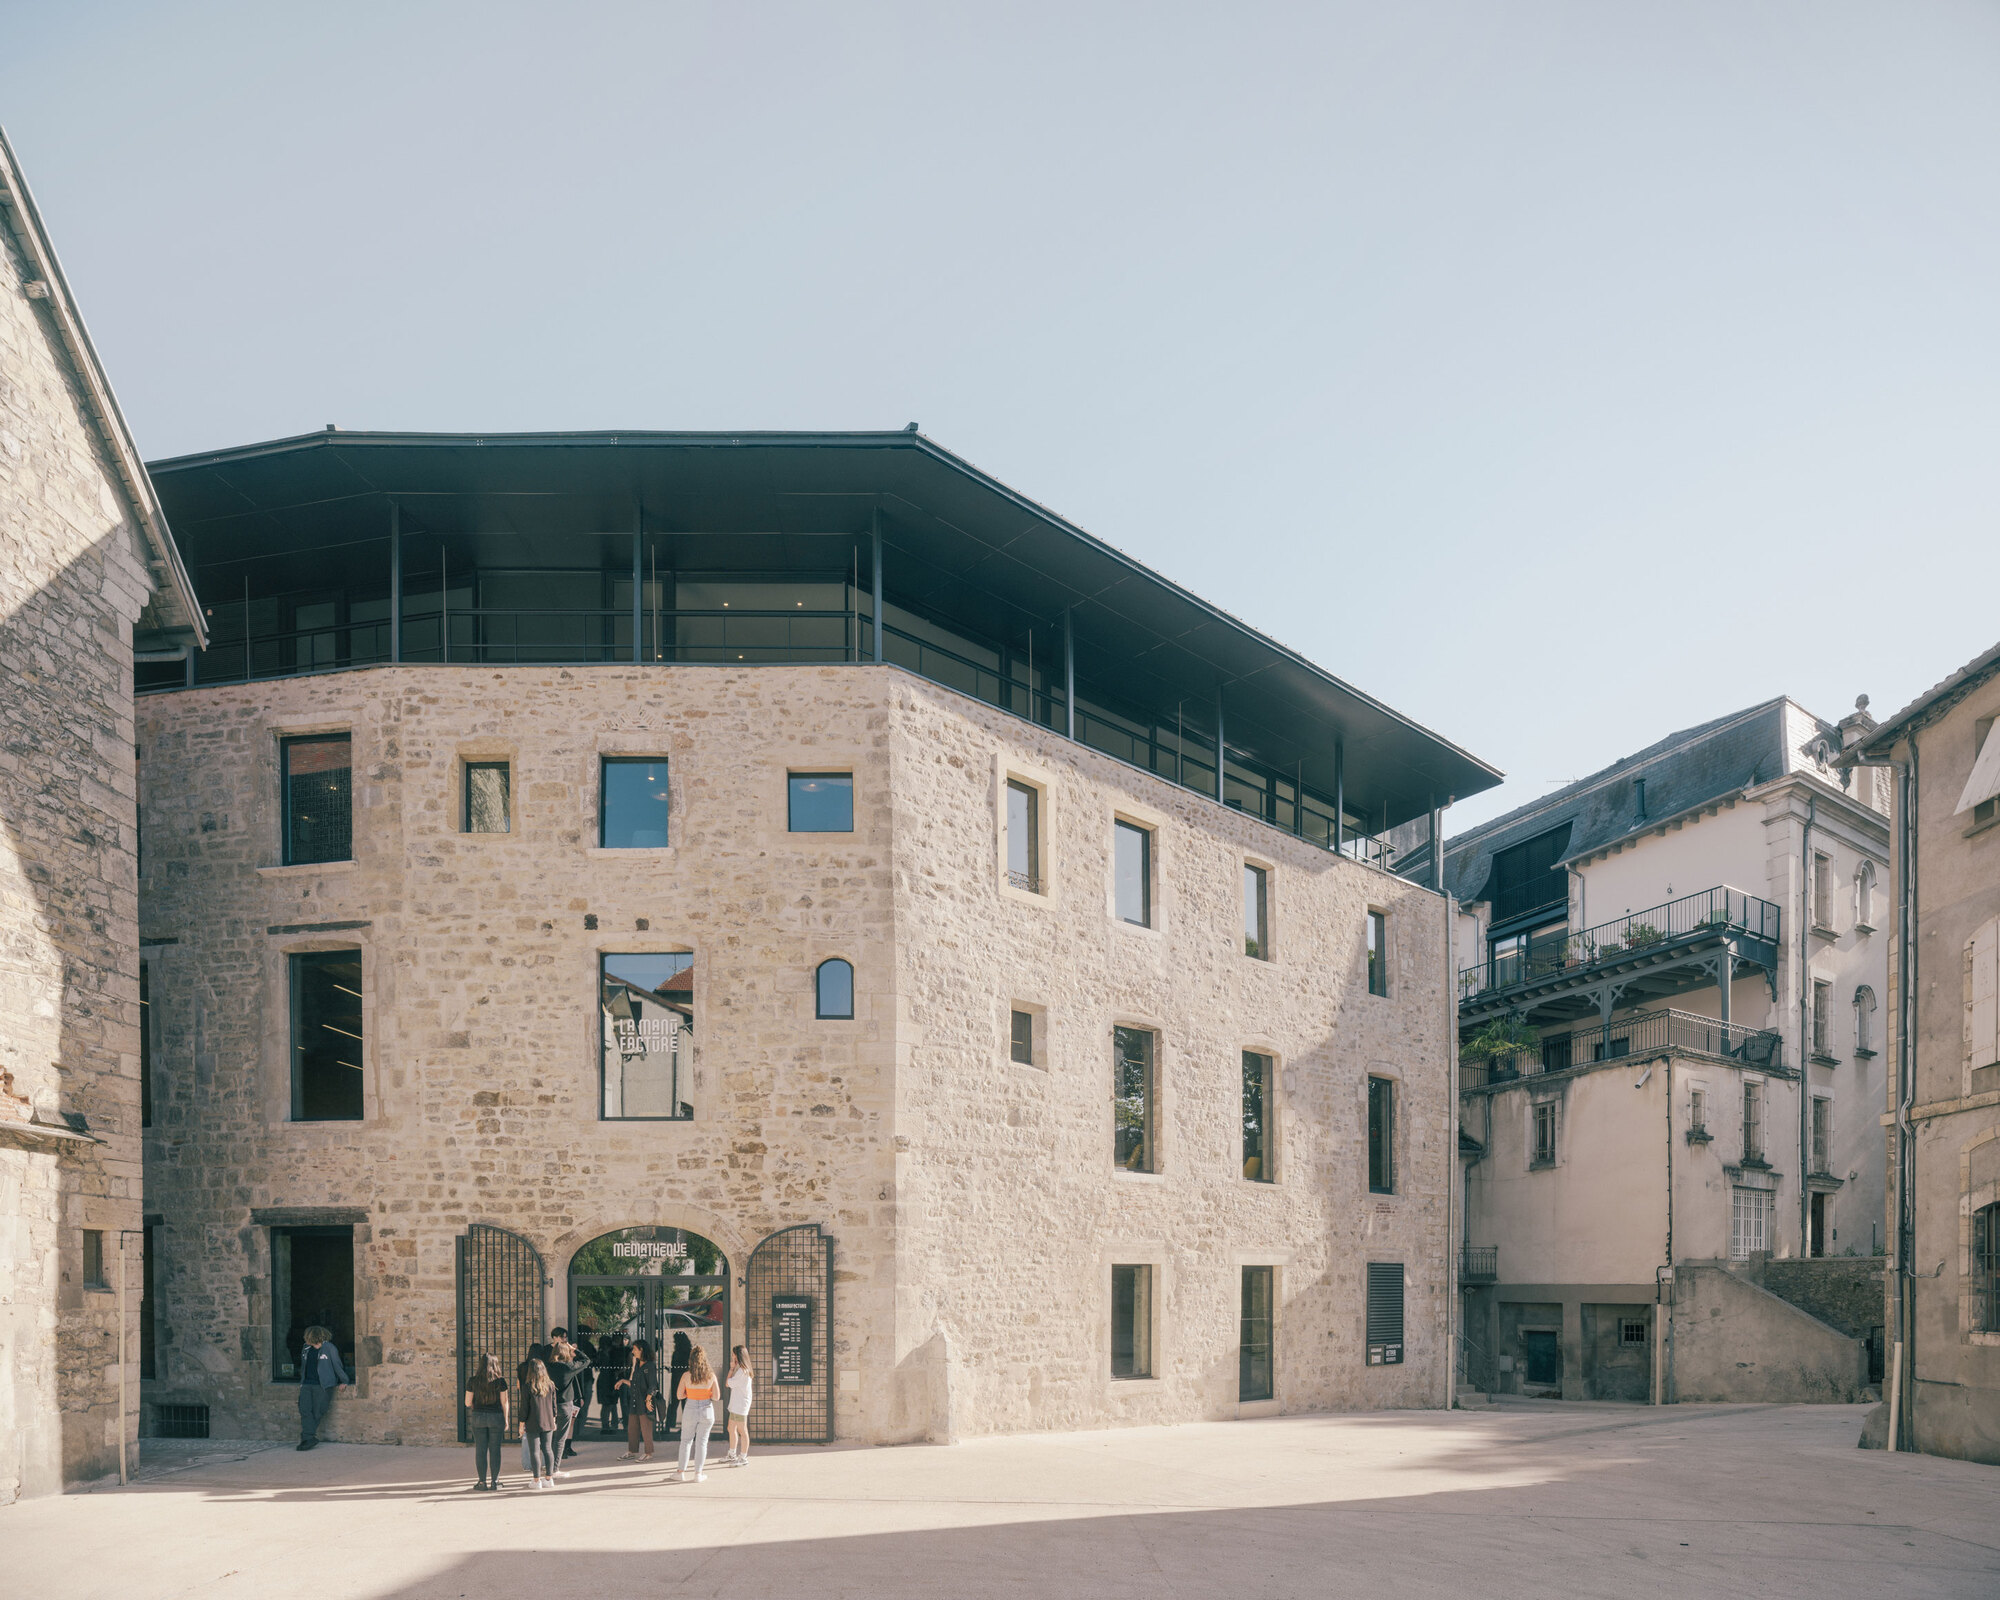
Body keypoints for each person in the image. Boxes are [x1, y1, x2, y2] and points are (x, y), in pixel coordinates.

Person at [295, 1324, 351, 1451]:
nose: (305, 1338)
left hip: (323, 1385)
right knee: (304, 1410)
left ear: (313, 1336)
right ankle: (308, 1438)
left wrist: (344, 1380)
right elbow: (303, 1366)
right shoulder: (306, 1348)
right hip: (307, 1384)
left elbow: (337, 1365)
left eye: (307, 1336)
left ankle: (307, 1438)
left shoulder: (329, 1348)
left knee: (318, 1411)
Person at [463, 1352, 510, 1490]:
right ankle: (495, 1482)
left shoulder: (473, 1381)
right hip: (496, 1417)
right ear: (496, 1365)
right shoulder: (500, 1381)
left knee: (480, 1450)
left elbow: (467, 1402)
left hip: (478, 1417)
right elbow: (504, 1402)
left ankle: (482, 1482)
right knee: (495, 1450)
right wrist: (506, 1419)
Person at [675, 1345, 720, 1482]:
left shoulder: (686, 1376)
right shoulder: (711, 1375)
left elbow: (679, 1395)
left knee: (686, 1441)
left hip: (690, 1408)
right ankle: (698, 1474)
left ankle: (680, 1472)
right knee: (702, 1442)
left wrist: (690, 1392)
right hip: (707, 1409)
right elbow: (717, 1397)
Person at [544, 1334, 585, 1477]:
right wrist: (572, 1348)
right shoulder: (569, 1367)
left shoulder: (547, 1366)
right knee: (560, 1438)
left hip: (548, 1404)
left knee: (547, 1437)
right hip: (564, 1405)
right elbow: (586, 1360)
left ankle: (546, 1465)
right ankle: (554, 1469)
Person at [519, 1357, 559, 1490]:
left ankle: (536, 1480)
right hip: (548, 1421)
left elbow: (524, 1408)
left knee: (534, 1451)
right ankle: (549, 1478)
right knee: (548, 1449)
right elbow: (554, 1406)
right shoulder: (551, 1385)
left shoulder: (527, 1387)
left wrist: (521, 1424)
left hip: (532, 1422)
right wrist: (554, 1420)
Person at [616, 1340, 658, 1461]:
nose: (633, 1351)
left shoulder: (650, 1366)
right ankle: (632, 1451)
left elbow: (653, 1385)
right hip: (634, 1401)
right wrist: (623, 1381)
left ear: (641, 1350)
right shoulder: (638, 1364)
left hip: (645, 1402)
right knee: (632, 1428)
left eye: (635, 1349)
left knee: (646, 1429)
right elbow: (635, 1384)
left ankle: (648, 1452)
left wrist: (648, 1400)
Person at [723, 1344, 753, 1467]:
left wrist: (731, 1369)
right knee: (731, 1428)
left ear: (738, 1356)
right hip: (736, 1404)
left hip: (740, 1405)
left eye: (733, 1354)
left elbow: (727, 1383)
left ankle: (743, 1457)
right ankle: (732, 1454)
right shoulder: (742, 1370)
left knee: (742, 1430)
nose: (732, 1356)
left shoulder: (742, 1372)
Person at [597, 1331, 627, 1435]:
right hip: (608, 1381)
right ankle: (607, 1426)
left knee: (610, 1405)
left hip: (606, 1380)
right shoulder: (607, 1354)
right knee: (609, 1405)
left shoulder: (602, 1353)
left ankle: (609, 1425)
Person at [665, 1330, 693, 1437]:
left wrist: (671, 1369)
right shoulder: (689, 1352)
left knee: (673, 1404)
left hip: (677, 1381)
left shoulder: (677, 1353)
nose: (674, 1342)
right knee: (685, 1405)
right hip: (686, 1382)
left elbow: (677, 1368)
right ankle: (686, 1428)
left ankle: (668, 1426)